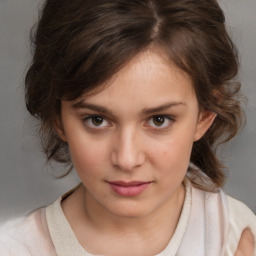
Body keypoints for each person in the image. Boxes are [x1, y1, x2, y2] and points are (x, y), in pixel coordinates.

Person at [0, 0, 255, 255]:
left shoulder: (237, 239)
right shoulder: (15, 248)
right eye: (97, 120)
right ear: (57, 116)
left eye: (159, 120)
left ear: (204, 115)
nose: (126, 159)